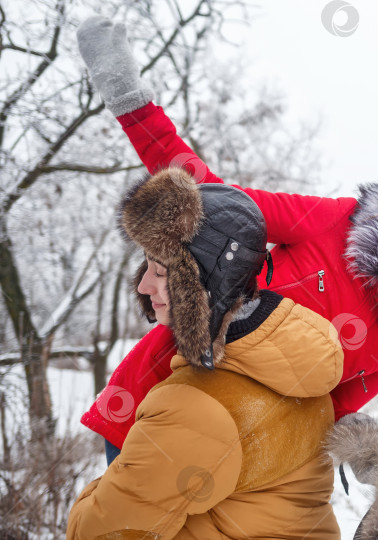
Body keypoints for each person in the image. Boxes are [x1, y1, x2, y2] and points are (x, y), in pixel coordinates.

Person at [76, 16, 378, 462]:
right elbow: (212, 199)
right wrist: (130, 101)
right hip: (152, 403)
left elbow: (328, 411)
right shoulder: (341, 225)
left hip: (233, 461)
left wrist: (365, 454)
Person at [68, 168, 344, 538]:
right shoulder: (302, 372)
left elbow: (94, 532)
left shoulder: (189, 409)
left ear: (203, 282)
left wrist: (102, 488)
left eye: (161, 273)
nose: (145, 284)